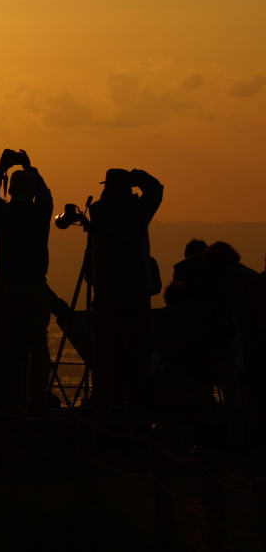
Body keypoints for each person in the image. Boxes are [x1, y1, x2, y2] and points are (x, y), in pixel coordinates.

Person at [0, 148, 55, 410]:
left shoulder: (2, 213)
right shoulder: (41, 212)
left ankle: (11, 398)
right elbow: (45, 194)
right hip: (36, 286)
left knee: (10, 346)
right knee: (38, 345)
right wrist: (30, 168)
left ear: (10, 190)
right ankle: (37, 398)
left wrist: (1, 168)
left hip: (7, 288)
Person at [88, 168, 163, 410]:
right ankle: (138, 399)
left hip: (107, 288)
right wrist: (137, 176)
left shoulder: (98, 210)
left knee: (105, 349)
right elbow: (156, 188)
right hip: (136, 289)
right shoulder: (139, 210)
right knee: (136, 349)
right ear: (129, 187)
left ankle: (106, 398)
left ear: (107, 187)